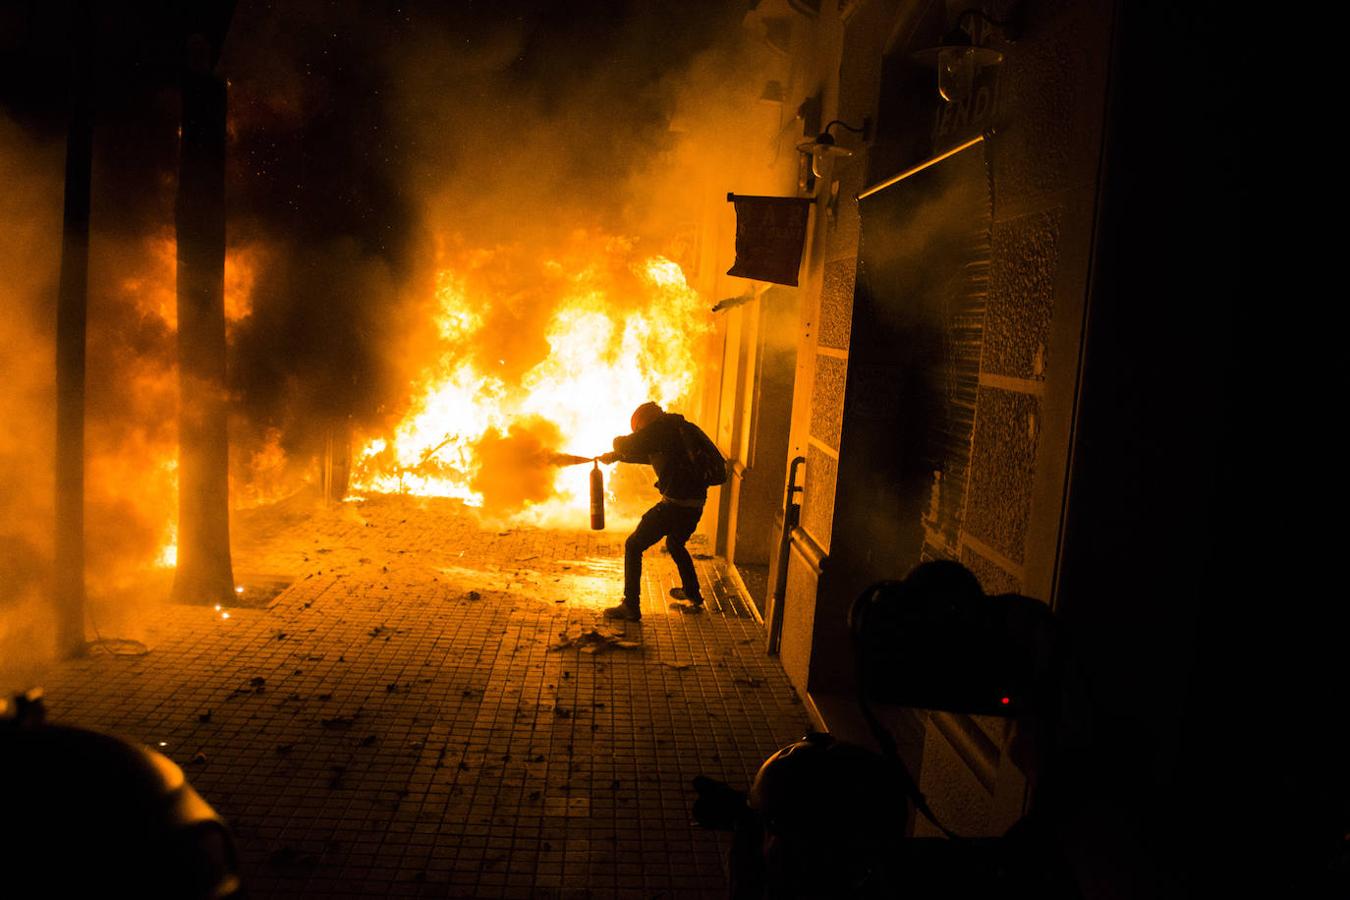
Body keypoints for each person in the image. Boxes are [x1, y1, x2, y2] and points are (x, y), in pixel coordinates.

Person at [599, 401, 709, 621]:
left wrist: (617, 448)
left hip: (674, 506)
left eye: (640, 429)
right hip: (695, 504)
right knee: (675, 543)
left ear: (644, 423)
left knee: (633, 545)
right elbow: (648, 454)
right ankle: (692, 592)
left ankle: (631, 605)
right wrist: (616, 457)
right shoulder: (679, 428)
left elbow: (625, 444)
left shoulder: (658, 429)